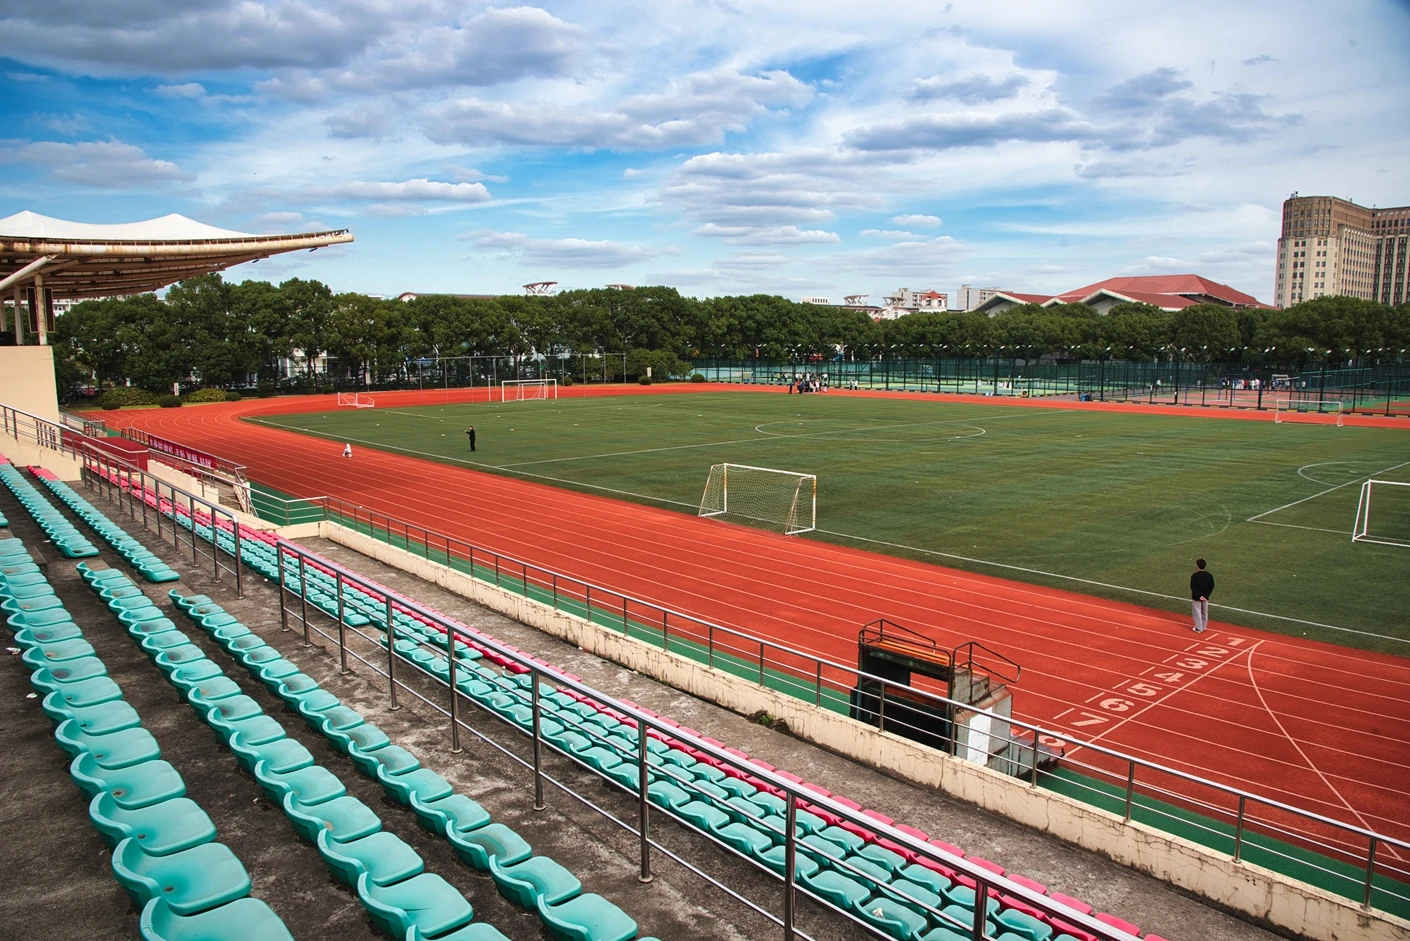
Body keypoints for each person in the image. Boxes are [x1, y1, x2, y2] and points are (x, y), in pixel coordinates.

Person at [1190, 558, 1214, 633]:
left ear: (1197, 566)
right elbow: (1211, 586)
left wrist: (1199, 596)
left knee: (1197, 612)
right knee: (1204, 612)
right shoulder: (1209, 575)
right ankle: (1203, 626)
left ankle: (1198, 628)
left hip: (1196, 597)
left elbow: (1193, 587)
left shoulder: (1195, 575)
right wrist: (1206, 596)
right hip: (1205, 597)